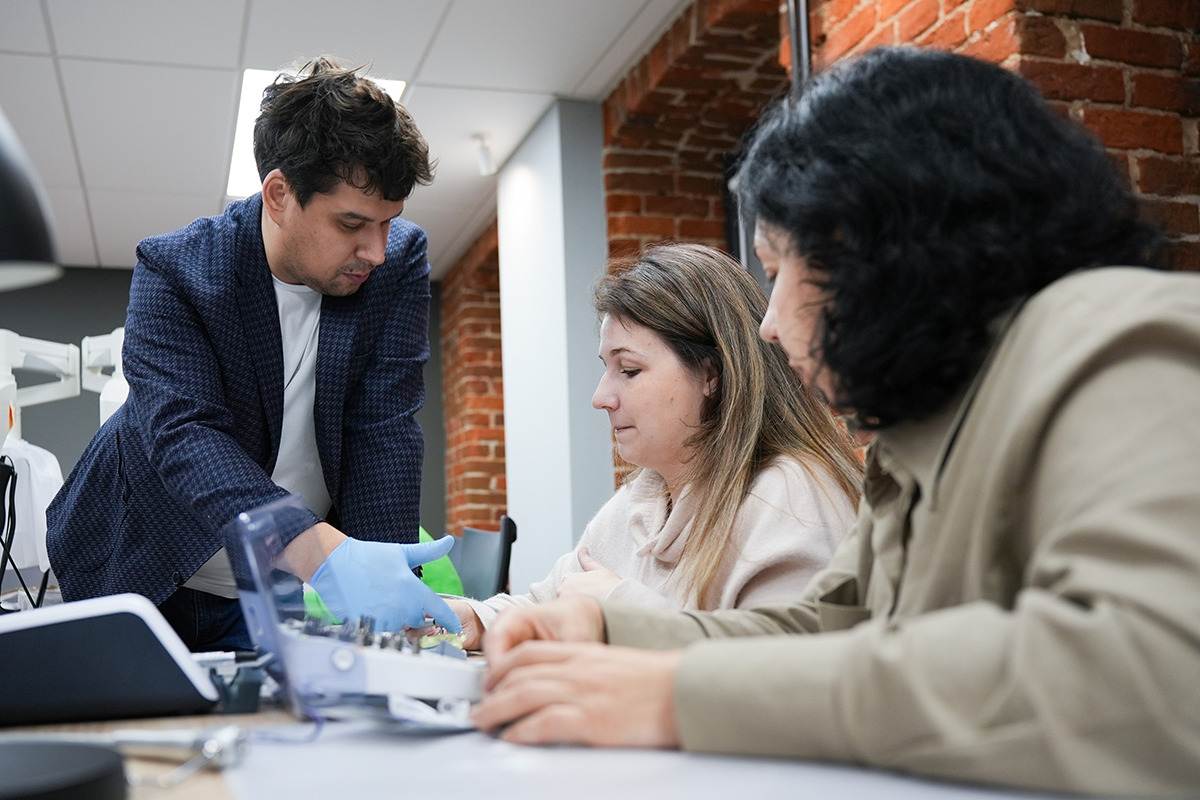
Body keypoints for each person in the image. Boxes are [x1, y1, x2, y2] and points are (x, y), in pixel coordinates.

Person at [468, 46, 1200, 797]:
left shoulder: (1119, 339)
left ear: (882, 248)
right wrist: (609, 629)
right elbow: (821, 628)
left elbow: (1153, 676)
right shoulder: (916, 437)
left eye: (779, 270)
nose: (768, 325)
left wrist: (679, 699)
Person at [46, 57, 461, 651]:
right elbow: (185, 433)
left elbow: (383, 429)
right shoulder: (176, 269)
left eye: (387, 223)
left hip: (270, 579)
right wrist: (323, 552)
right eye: (352, 223)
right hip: (140, 559)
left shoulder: (397, 263)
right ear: (279, 195)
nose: (375, 250)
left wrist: (388, 588)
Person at [447, 243, 863, 649]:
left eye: (629, 370)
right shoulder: (644, 497)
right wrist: (473, 618)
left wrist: (618, 611)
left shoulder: (789, 496)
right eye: (607, 368)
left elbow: (782, 671)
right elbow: (547, 603)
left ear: (711, 375)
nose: (601, 397)